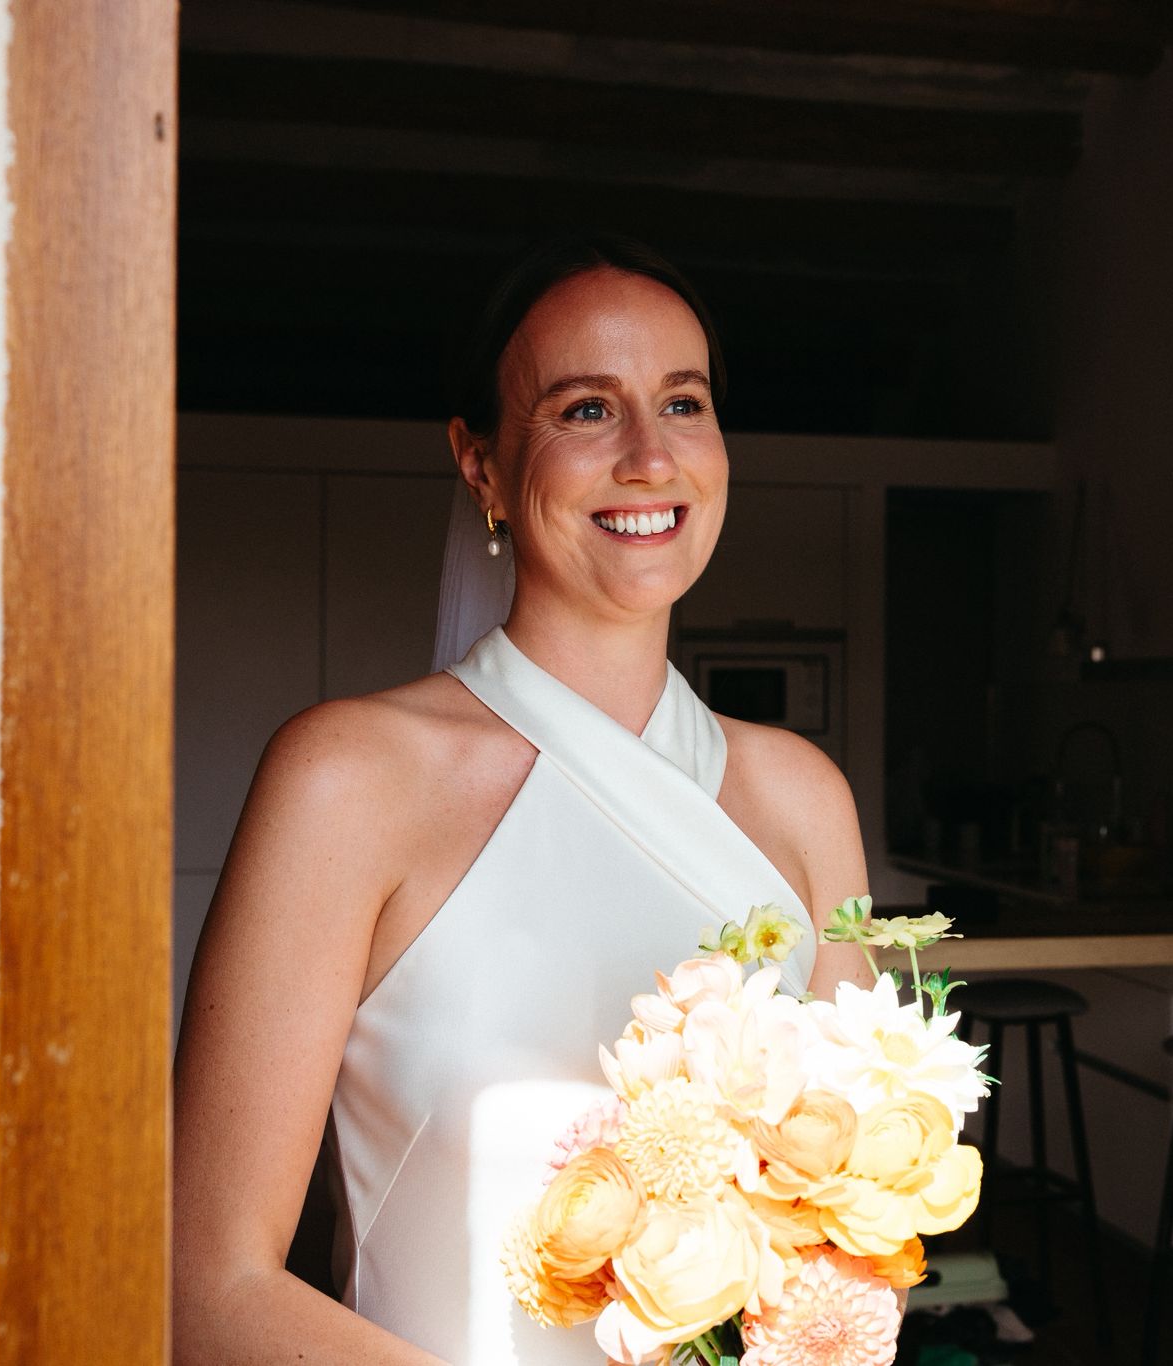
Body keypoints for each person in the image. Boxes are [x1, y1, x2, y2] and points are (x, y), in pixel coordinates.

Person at [172, 234, 876, 1364]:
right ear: (482, 464)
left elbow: (851, 1226)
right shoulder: (346, 780)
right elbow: (205, 1282)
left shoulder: (802, 799)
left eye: (682, 402)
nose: (649, 456)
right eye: (585, 410)